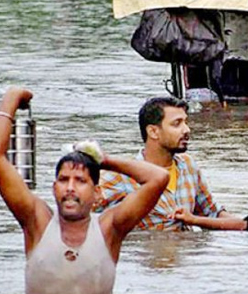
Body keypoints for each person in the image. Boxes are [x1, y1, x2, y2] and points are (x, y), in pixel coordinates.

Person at [0, 87, 169, 294]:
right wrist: (12, 96)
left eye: (80, 181)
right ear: (54, 188)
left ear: (97, 193)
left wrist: (105, 160)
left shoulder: (110, 229)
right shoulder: (37, 222)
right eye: (63, 180)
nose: (70, 188)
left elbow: (159, 178)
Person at [96, 97, 231, 230]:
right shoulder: (122, 176)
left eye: (185, 122)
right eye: (177, 123)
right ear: (153, 132)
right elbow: (86, 219)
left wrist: (247, 225)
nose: (186, 130)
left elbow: (212, 213)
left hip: (186, 250)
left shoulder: (188, 166)